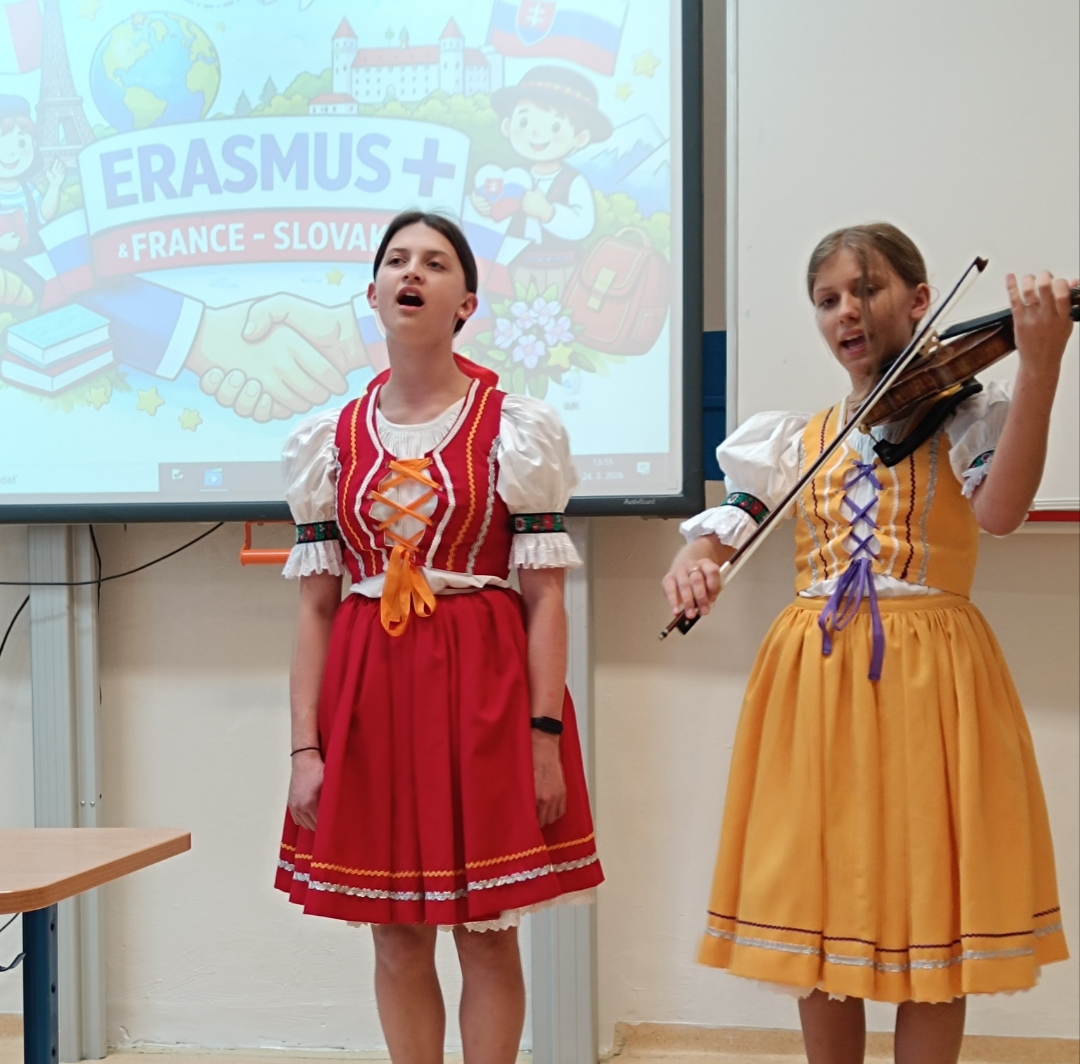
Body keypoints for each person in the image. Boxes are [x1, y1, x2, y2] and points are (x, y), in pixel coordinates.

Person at [663, 223, 1075, 1064]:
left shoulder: (968, 414)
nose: (846, 311)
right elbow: (733, 521)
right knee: (819, 912)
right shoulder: (794, 437)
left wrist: (1040, 365)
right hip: (813, 678)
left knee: (932, 916)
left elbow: (1000, 512)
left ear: (921, 301)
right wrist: (694, 557)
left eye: (867, 289)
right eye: (828, 300)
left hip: (932, 676)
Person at [275, 209, 602, 1062]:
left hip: (484, 691)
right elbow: (314, 609)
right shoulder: (330, 440)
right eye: (396, 260)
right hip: (370, 697)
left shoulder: (514, 426)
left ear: (466, 303)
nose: (412, 272)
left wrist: (543, 736)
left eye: (434, 262)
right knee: (394, 933)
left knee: (487, 933)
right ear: (373, 294)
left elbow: (546, 600)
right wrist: (305, 749)